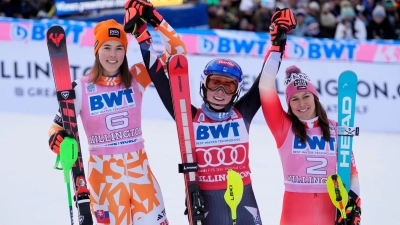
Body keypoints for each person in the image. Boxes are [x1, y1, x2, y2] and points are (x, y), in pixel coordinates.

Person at [123, 1, 296, 224]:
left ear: (237, 91)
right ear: (205, 85)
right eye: (215, 83)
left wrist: (278, 41)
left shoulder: (242, 113)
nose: (221, 92)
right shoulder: (188, 117)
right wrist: (141, 33)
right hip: (206, 205)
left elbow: (267, 77)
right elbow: (159, 77)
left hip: (244, 204)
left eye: (229, 86)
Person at [47, 19, 169, 225]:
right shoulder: (79, 88)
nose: (113, 55)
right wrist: (57, 140)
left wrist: (153, 22)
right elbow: (57, 127)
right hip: (104, 181)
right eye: (107, 47)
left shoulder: (137, 76)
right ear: (96, 49)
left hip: (142, 179)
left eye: (119, 48)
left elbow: (177, 54)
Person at [259, 12, 362, 224]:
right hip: (294, 212)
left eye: (306, 96)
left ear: (315, 97)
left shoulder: (336, 128)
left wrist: (355, 205)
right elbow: (265, 86)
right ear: (288, 104)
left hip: (332, 209)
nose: (301, 103)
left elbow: (351, 172)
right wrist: (277, 48)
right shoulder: (283, 127)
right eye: (294, 99)